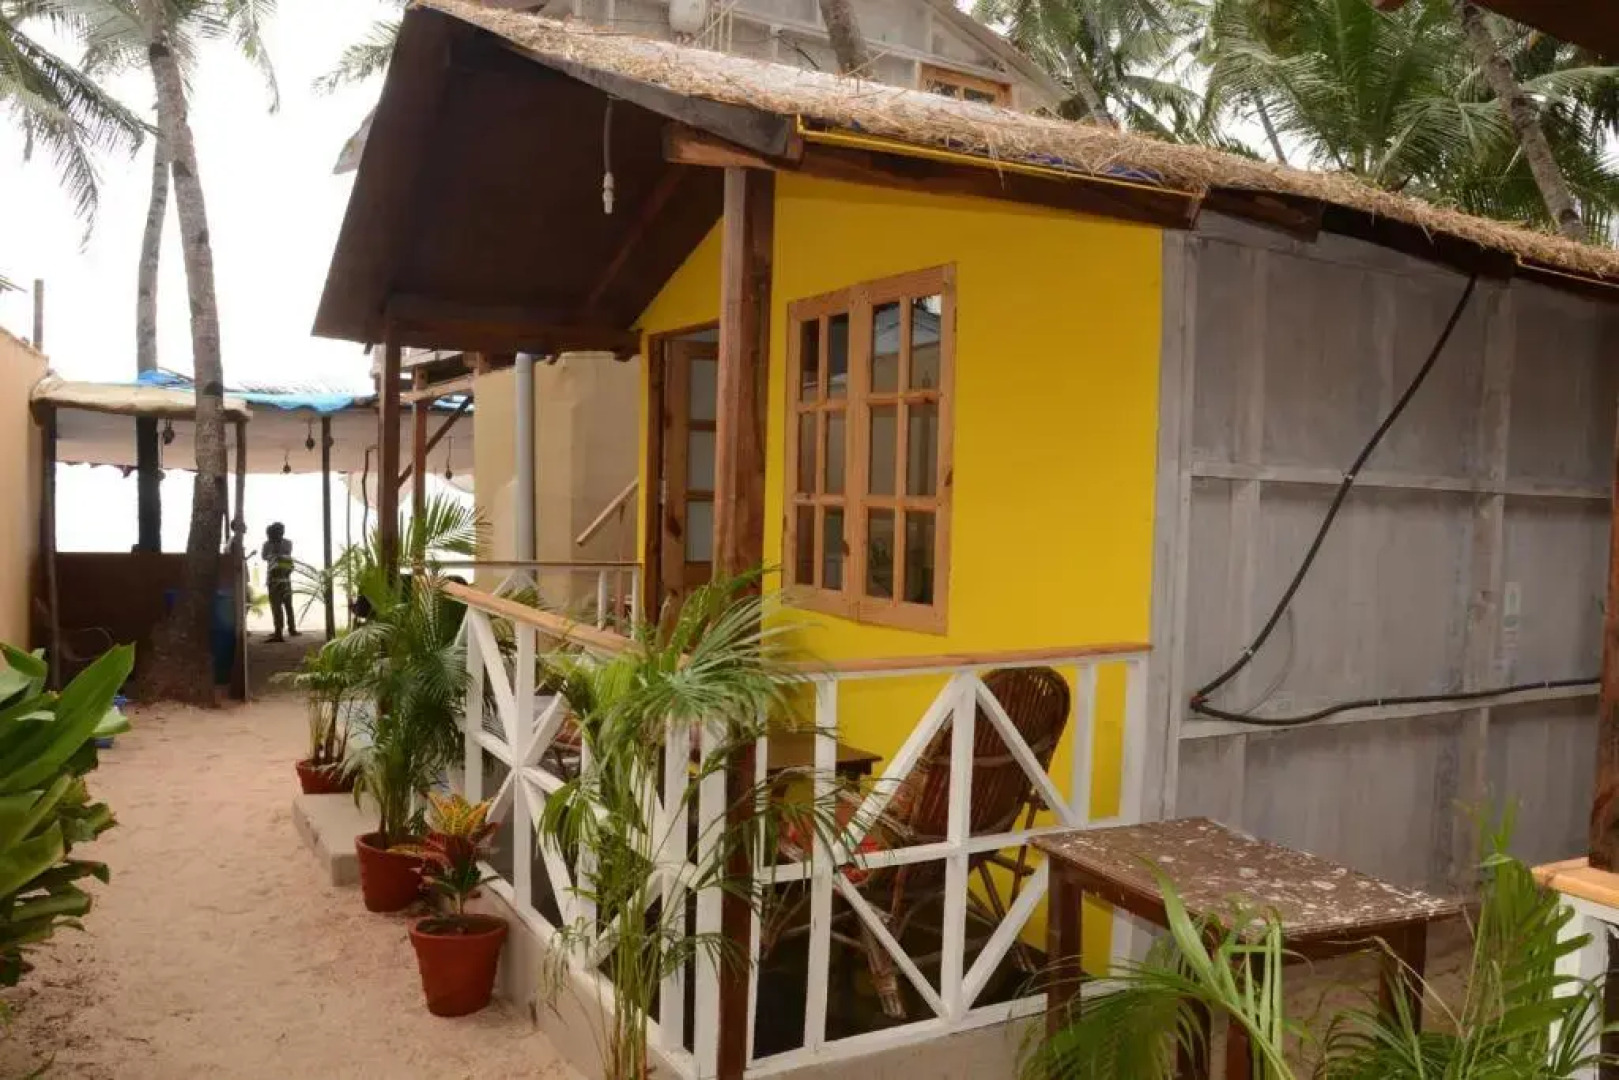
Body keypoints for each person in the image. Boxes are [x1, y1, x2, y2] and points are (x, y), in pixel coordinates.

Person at [261, 522, 299, 642]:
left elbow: (286, 558)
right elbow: (264, 556)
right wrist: (274, 555)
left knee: (286, 605)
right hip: (274, 579)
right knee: (277, 606)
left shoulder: (287, 543)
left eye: (279, 533)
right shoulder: (268, 544)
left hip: (284, 578)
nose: (276, 536)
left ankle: (289, 629)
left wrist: (275, 556)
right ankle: (279, 631)